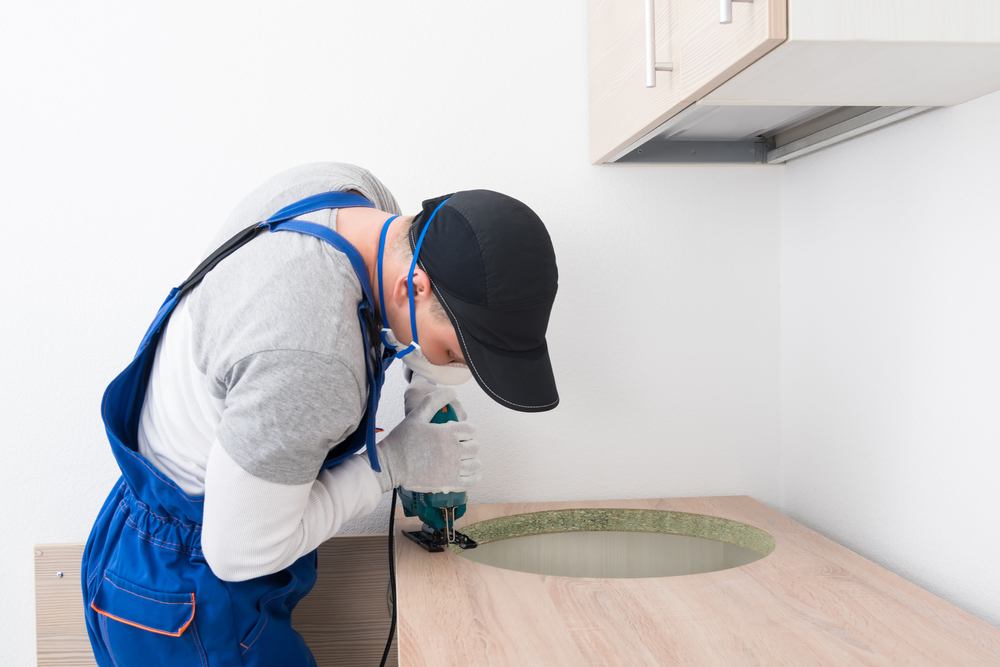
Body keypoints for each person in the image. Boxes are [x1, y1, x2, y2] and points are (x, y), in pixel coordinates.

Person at [80, 162, 559, 666]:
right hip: (190, 593)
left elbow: (392, 308)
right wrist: (395, 462)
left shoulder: (352, 196)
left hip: (142, 540)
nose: (457, 368)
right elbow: (241, 552)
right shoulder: (313, 356)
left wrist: (425, 385)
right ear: (412, 287)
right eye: (455, 355)